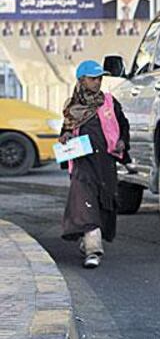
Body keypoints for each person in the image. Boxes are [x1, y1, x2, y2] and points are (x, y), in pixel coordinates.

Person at [58, 60, 130, 269]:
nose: (97, 82)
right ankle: (93, 251)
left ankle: (88, 241)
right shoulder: (72, 108)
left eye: (99, 78)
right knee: (86, 205)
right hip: (82, 165)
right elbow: (65, 131)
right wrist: (64, 138)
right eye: (93, 79)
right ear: (82, 81)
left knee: (102, 204)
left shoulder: (109, 102)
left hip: (105, 163)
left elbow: (123, 124)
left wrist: (122, 141)